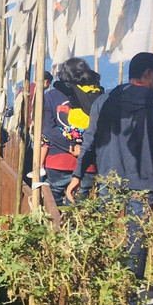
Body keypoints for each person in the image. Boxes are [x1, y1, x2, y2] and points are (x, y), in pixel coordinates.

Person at [64, 52, 153, 276]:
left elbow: (90, 141)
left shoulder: (105, 101)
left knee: (102, 229)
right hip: (144, 181)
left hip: (109, 178)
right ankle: (131, 293)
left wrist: (77, 175)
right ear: (147, 73)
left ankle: (101, 281)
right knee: (137, 236)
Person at [40, 58, 104, 204]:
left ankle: (55, 226)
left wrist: (70, 145)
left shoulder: (50, 97)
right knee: (78, 210)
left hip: (57, 159)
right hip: (87, 162)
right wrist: (82, 148)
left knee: (53, 207)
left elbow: (48, 129)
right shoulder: (96, 95)